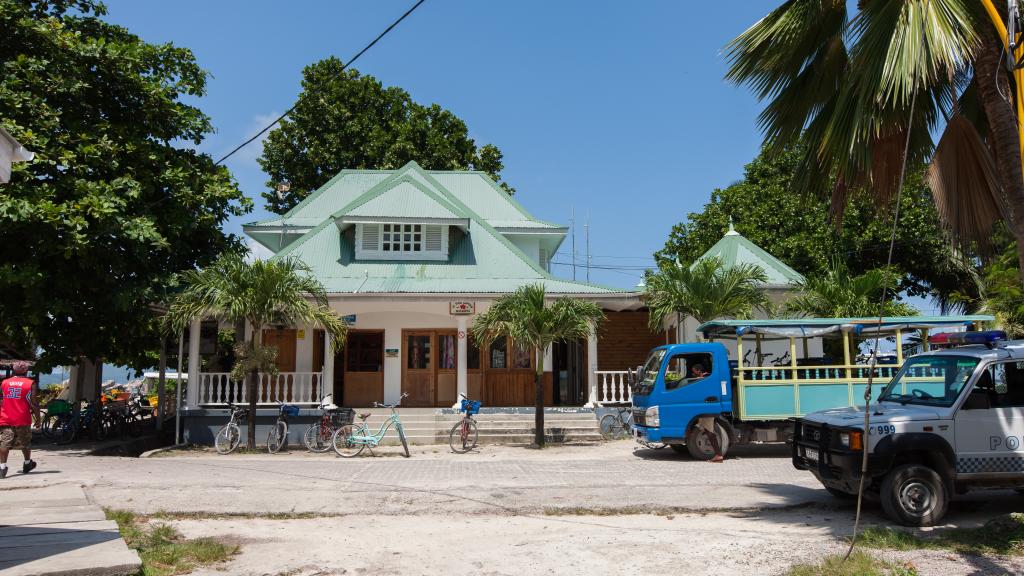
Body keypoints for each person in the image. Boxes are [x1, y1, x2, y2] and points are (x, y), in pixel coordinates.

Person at [0, 361, 39, 478]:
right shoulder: (30, 383)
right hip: (22, 418)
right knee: (25, 443)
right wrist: (38, 419)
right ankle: (27, 463)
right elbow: (33, 403)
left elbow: (1, 400)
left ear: (13, 370)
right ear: (27, 371)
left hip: (6, 417)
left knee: (4, 443)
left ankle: (2, 468)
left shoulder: (4, 383)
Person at [690, 363, 723, 463]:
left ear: (699, 371)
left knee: (710, 432)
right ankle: (718, 455)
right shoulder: (704, 378)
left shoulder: (705, 378)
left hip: (708, 409)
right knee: (705, 429)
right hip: (705, 409)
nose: (693, 373)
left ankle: (718, 455)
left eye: (694, 371)